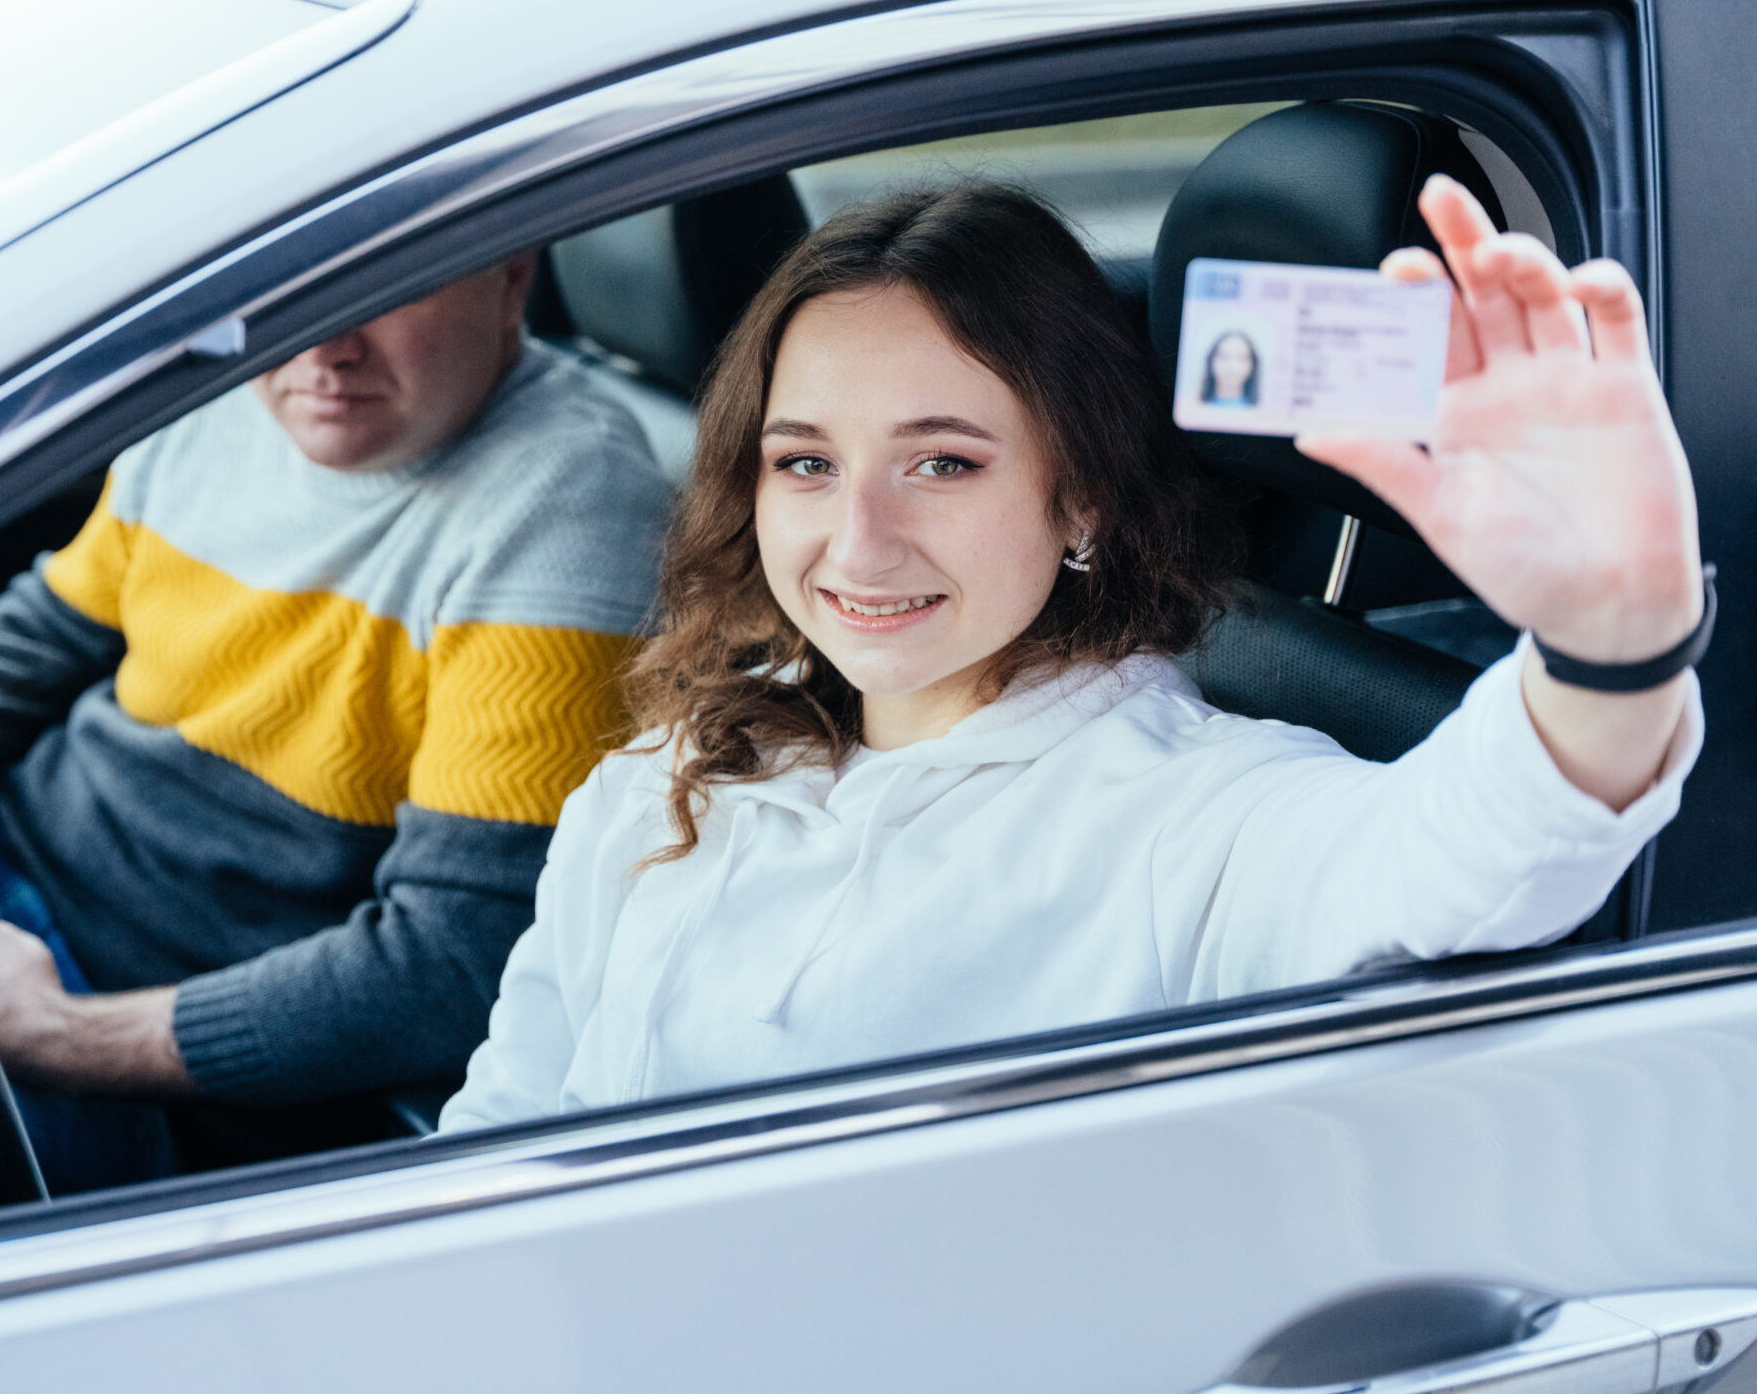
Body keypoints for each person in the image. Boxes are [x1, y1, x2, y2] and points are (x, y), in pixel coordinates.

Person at [440, 178, 1703, 1131]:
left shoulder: (1187, 818)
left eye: (943, 463)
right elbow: (501, 1132)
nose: (856, 545)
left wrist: (1609, 643)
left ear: (1082, 496)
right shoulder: (679, 762)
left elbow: (1465, 856)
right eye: (807, 463)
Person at [0, 252, 671, 1184]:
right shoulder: (222, 394)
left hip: (144, 1035)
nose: (324, 344)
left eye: (391, 281)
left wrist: (57, 1033)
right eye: (292, 281)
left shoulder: (571, 505)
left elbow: (450, 965)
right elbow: (58, 619)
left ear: (512, 274)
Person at [1201, 329, 1260, 406]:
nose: (1232, 366)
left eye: (1241, 358)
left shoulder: (1260, 412)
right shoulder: (1192, 408)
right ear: (1211, 361)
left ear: (1252, 366)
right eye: (1224, 357)